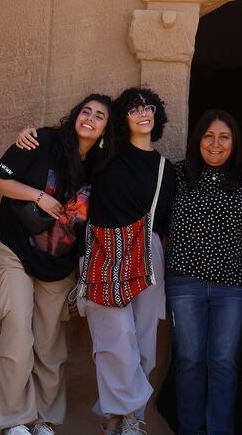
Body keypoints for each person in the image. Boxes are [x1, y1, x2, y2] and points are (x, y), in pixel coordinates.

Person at [0, 93, 115, 435]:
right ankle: (12, 420)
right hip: (13, 248)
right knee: (16, 331)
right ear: (75, 115)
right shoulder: (42, 141)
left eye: (99, 116)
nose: (90, 118)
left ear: (106, 129)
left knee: (48, 343)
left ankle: (42, 419)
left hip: (58, 265)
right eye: (85, 111)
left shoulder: (101, 168)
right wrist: (38, 195)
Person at [78, 87, 176, 435]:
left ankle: (126, 418)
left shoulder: (166, 167)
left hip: (148, 252)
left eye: (148, 106)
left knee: (144, 339)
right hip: (104, 251)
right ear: (123, 118)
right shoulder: (104, 157)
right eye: (134, 109)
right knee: (114, 336)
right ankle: (122, 413)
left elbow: (166, 221)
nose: (143, 113)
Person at [165, 109, 242, 434]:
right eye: (208, 136)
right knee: (189, 361)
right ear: (197, 139)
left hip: (232, 286)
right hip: (184, 282)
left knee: (223, 362)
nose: (215, 144)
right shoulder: (177, 175)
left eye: (224, 137)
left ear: (234, 142)